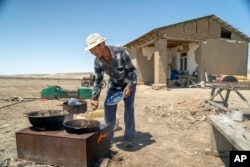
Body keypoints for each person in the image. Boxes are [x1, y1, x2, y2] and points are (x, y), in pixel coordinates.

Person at [85, 33, 137, 150]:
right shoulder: (97, 62)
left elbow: (132, 71)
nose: (93, 52)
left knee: (129, 110)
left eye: (94, 48)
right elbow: (98, 81)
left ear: (102, 44)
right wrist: (94, 97)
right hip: (114, 86)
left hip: (128, 83)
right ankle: (109, 137)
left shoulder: (120, 51)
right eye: (90, 50)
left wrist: (129, 85)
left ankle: (129, 137)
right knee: (108, 108)